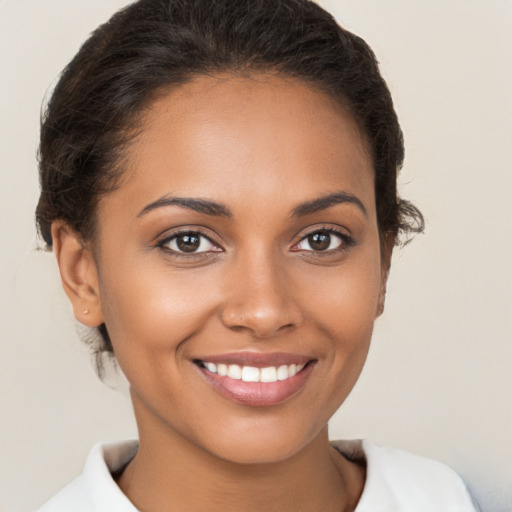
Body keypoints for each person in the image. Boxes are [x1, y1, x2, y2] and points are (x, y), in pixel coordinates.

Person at [34, 0, 479, 510]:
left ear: (382, 263)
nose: (265, 311)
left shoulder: (453, 499)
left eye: (320, 239)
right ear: (81, 273)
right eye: (189, 241)